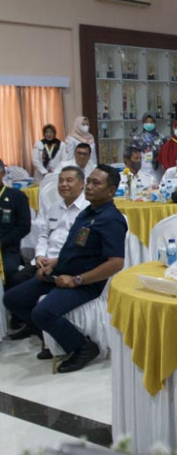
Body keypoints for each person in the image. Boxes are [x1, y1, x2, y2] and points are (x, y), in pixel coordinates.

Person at [3, 164, 127, 373]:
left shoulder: (111, 219)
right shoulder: (88, 212)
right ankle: (50, 338)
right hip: (60, 273)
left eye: (96, 183)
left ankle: (83, 347)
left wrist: (77, 279)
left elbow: (116, 263)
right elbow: (74, 248)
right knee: (13, 299)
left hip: (85, 283)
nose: (89, 187)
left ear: (111, 191)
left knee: (42, 312)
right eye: (89, 182)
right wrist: (54, 264)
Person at [6, 166, 88, 295]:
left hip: (66, 264)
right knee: (13, 282)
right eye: (61, 181)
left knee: (23, 293)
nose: (63, 184)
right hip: (43, 261)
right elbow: (44, 235)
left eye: (69, 180)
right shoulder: (55, 207)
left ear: (82, 184)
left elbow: (81, 245)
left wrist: (57, 260)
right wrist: (39, 255)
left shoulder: (88, 211)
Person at [0, 159, 31, 282]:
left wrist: (2, 242)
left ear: (2, 174)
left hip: (6, 248)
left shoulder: (17, 196)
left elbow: (24, 227)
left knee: (9, 271)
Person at [131, 112, 165, 180]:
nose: (149, 124)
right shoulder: (137, 138)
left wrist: (155, 153)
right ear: (143, 122)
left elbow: (164, 154)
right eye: (146, 122)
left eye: (151, 122)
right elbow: (132, 154)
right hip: (141, 169)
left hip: (157, 170)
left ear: (155, 123)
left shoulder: (161, 138)